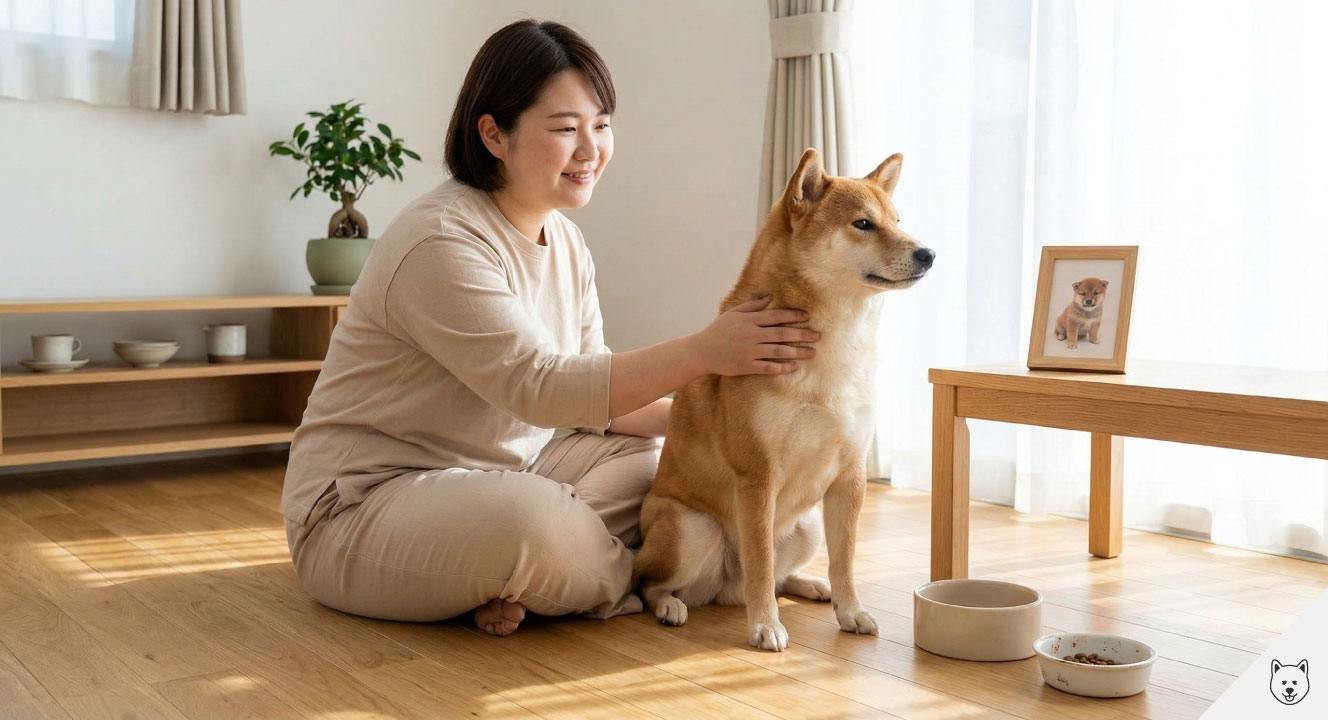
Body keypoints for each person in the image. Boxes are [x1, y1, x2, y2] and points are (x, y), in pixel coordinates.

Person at [280, 18, 820, 637]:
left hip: (512, 467)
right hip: (365, 502)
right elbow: (541, 388)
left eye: (602, 125)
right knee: (529, 522)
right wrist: (705, 350)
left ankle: (528, 577)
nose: (591, 150)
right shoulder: (441, 241)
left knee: (654, 460)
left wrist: (722, 429)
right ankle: (609, 574)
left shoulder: (564, 238)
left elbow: (595, 402)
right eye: (565, 129)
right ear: (494, 135)